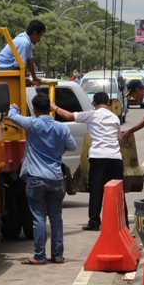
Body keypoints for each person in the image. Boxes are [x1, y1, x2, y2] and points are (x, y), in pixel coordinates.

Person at [7, 92, 76, 265]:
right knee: (55, 217)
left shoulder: (32, 124)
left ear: (35, 110)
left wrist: (13, 107)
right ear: (50, 110)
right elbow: (72, 146)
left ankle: (39, 255)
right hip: (56, 178)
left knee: (38, 217)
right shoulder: (61, 128)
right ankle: (58, 255)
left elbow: (11, 116)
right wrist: (57, 152)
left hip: (36, 178)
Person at [51, 91, 127, 231]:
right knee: (118, 191)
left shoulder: (91, 114)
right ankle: (123, 222)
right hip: (115, 158)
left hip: (98, 157)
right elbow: (117, 137)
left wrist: (54, 107)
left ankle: (94, 222)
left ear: (94, 103)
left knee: (96, 190)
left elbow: (68, 116)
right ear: (109, 103)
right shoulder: (115, 118)